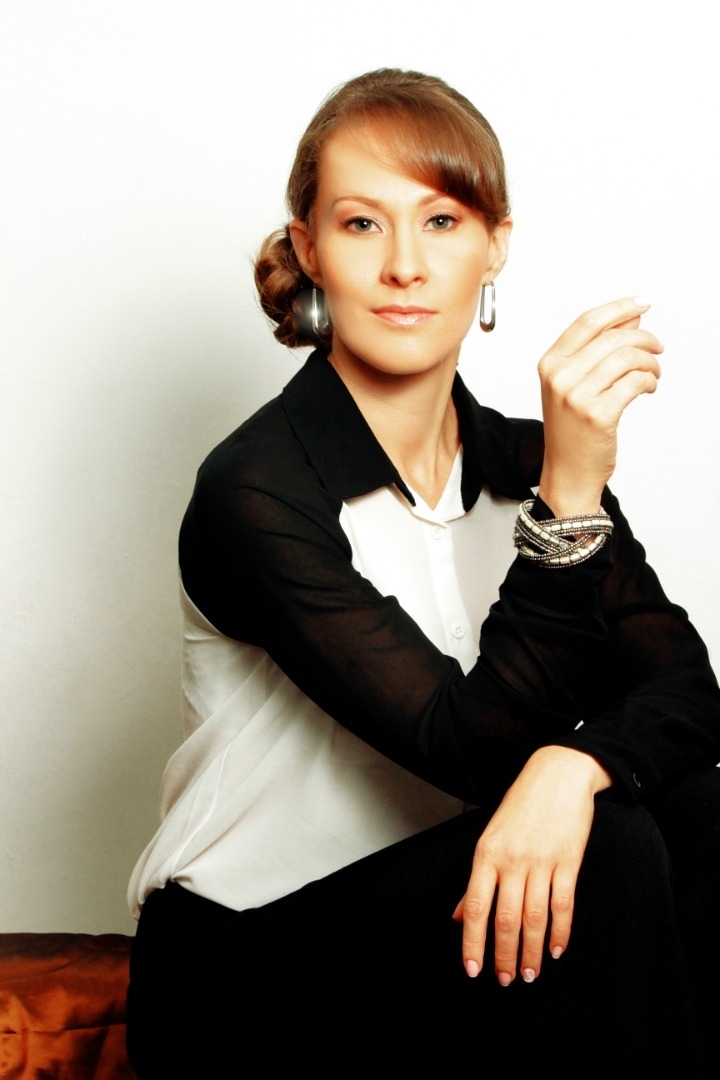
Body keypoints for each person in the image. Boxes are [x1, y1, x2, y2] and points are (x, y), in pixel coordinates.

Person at [126, 69, 720, 1076]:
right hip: (249, 966)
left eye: (441, 222)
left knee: (697, 809)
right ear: (310, 249)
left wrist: (575, 765)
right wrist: (570, 501)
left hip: (448, 931)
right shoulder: (257, 485)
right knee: (612, 848)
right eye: (362, 224)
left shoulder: (527, 462)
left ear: (496, 245)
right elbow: (467, 743)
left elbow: (689, 695)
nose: (405, 265)